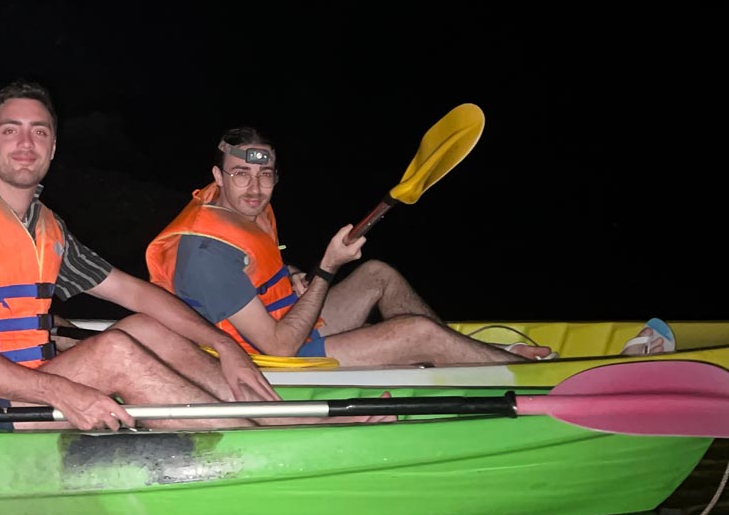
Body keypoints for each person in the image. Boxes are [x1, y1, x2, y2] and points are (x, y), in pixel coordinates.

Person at [0, 80, 393, 432]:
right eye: (10, 129)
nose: (25, 142)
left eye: (38, 131)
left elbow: (133, 292)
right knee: (114, 352)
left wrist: (226, 344)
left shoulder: (43, 226)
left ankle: (288, 420)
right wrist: (67, 395)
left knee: (150, 329)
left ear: (54, 146)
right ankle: (273, 442)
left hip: (20, 387)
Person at [143, 126, 554, 367]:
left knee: (379, 275)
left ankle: (458, 358)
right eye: (240, 174)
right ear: (218, 173)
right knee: (419, 332)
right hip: (271, 359)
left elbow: (258, 274)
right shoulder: (205, 252)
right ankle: (521, 372)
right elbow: (280, 348)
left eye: (264, 174)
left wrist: (293, 278)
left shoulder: (242, 208)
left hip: (287, 325)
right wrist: (326, 268)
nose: (254, 188)